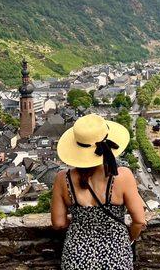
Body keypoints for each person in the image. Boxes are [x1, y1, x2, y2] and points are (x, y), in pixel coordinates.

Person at [51, 114, 146, 270]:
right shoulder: (122, 176)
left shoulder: (63, 179)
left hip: (76, 256)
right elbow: (140, 221)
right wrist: (126, 239)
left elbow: (58, 223)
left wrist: (81, 224)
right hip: (117, 255)